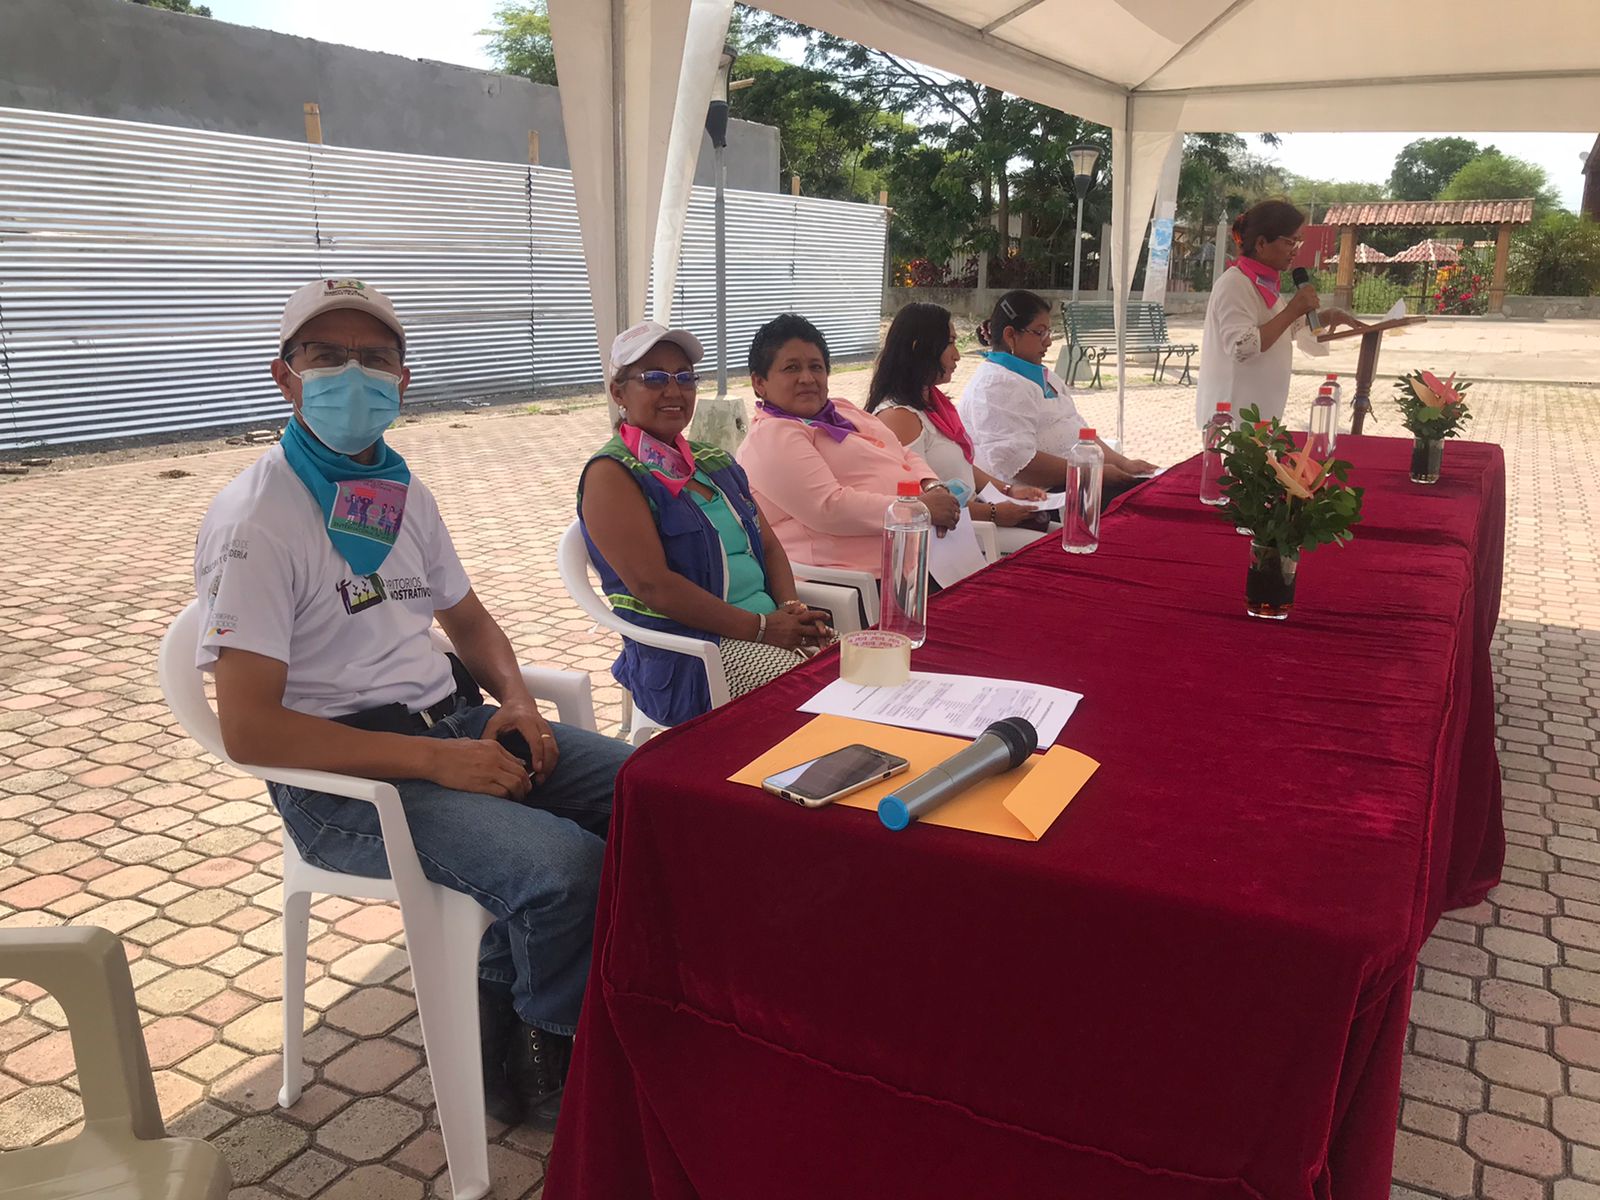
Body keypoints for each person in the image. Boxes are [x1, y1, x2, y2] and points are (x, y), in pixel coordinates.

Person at [192, 278, 630, 1132]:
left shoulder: (398, 492)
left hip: (453, 724)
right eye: (327, 356)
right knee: (564, 869)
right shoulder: (258, 520)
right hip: (342, 780)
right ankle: (543, 1053)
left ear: (403, 381)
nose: (353, 375)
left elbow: (467, 619)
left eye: (375, 359)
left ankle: (511, 986)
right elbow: (248, 728)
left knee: (648, 796)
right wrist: (438, 762)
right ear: (286, 376)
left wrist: (517, 703)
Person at [578, 320, 833, 727]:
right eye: (655, 378)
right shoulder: (612, 474)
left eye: (684, 377)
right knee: (814, 696)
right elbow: (653, 586)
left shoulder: (714, 462)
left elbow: (768, 545)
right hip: (689, 656)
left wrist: (790, 610)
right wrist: (762, 629)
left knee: (866, 668)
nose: (673, 391)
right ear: (618, 392)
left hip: (766, 627)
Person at [736, 313, 961, 578]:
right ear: (759, 383)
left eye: (816, 367)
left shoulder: (841, 409)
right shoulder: (771, 435)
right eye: (791, 368)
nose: (807, 378)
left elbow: (901, 452)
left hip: (917, 559)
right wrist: (918, 509)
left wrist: (932, 486)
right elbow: (829, 508)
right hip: (848, 579)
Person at [866, 301, 1053, 554]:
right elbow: (916, 502)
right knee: (1050, 549)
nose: (957, 355)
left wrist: (1009, 490)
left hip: (969, 521)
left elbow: (962, 464)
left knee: (1058, 533)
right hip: (945, 536)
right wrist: (995, 513)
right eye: (950, 343)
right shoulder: (899, 417)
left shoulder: (934, 405)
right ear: (919, 349)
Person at [961, 290, 1159, 499]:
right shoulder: (995, 384)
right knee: (1144, 502)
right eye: (1040, 332)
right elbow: (1018, 462)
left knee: (1155, 490)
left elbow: (1082, 433)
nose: (1048, 342)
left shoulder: (1043, 375)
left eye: (1049, 332)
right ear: (1010, 335)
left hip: (1073, 478)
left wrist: (1124, 463)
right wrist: (1089, 471)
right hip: (1038, 495)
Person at [1195, 199, 1364, 427]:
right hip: (1231, 416)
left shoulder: (1264, 283)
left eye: (1298, 242)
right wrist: (1293, 309)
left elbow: (1284, 330)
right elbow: (1242, 346)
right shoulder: (1235, 284)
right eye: (1290, 242)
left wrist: (1325, 317)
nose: (1295, 251)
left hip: (1260, 414)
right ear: (1261, 243)